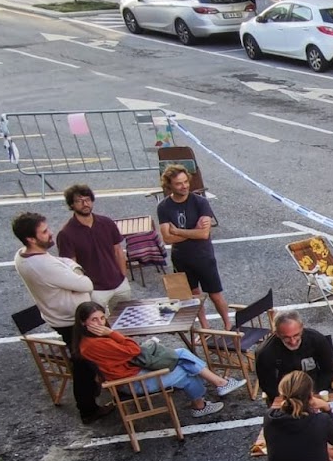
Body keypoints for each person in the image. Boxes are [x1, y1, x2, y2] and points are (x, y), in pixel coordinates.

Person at [73, 301, 240, 418]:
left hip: (130, 374)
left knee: (182, 355)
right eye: (94, 320)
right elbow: (134, 349)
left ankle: (214, 389)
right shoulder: (95, 344)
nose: (100, 323)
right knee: (185, 368)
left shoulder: (87, 341)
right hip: (133, 382)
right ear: (83, 322)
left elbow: (129, 351)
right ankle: (205, 400)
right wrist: (111, 333)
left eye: (102, 318)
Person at [13, 211, 103, 423]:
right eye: (44, 232)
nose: (50, 233)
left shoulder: (22, 255)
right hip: (71, 320)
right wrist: (76, 269)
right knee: (83, 363)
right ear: (31, 239)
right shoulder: (43, 265)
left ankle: (95, 392)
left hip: (58, 316)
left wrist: (69, 268)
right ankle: (88, 409)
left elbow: (60, 261)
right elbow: (86, 284)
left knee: (85, 360)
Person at [156, 165, 232, 330]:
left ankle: (228, 325)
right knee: (193, 296)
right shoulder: (163, 207)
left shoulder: (200, 202)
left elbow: (204, 234)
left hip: (203, 257)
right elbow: (168, 238)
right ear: (169, 186)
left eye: (185, 182)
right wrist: (193, 231)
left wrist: (178, 231)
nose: (184, 186)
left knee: (215, 294)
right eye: (178, 184)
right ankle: (205, 327)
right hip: (181, 259)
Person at [264, 370, 333, 461]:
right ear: (311, 396)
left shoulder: (269, 418)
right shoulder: (321, 420)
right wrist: (327, 409)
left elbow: (293, 441)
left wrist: (323, 450)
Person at [56, 184, 130, 305]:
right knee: (100, 323)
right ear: (71, 205)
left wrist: (123, 276)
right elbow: (71, 267)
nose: (85, 204)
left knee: (128, 319)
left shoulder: (107, 223)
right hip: (94, 290)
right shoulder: (66, 234)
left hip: (120, 284)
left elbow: (118, 251)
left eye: (87, 200)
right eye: (79, 201)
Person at [254, 310, 333, 404]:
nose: (293, 341)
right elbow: (268, 385)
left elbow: (329, 370)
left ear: (302, 328)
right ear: (276, 333)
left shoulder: (317, 340)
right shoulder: (265, 352)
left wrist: (315, 391)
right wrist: (288, 400)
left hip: (315, 389)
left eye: (296, 335)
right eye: (286, 337)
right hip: (285, 397)